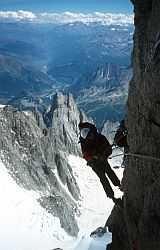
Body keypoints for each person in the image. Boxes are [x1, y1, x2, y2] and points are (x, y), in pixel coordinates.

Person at [78, 122, 123, 206]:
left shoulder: (100, 138)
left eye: (91, 134)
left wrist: (104, 155)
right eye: (89, 136)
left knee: (109, 171)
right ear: (86, 138)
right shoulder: (85, 144)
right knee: (103, 178)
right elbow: (86, 156)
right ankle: (112, 197)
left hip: (102, 159)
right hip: (94, 164)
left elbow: (108, 148)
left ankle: (119, 185)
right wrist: (94, 157)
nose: (91, 136)